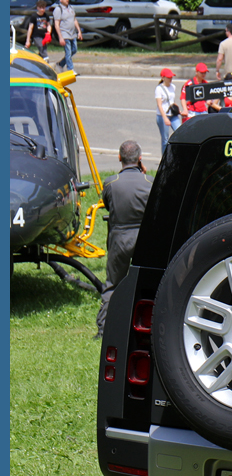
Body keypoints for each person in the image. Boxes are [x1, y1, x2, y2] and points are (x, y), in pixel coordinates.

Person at [96, 141, 153, 339]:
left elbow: (107, 204)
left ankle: (104, 329)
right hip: (144, 240)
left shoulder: (110, 183)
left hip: (119, 238)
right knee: (148, 283)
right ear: (140, 159)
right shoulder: (149, 182)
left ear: (119, 158)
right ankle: (148, 324)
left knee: (112, 284)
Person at [52, 0, 83, 74]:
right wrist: (60, 37)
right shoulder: (58, 9)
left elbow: (74, 20)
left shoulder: (71, 8)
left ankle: (60, 64)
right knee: (68, 52)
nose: (67, 0)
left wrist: (79, 31)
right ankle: (70, 69)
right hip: (64, 33)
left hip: (72, 33)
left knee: (74, 50)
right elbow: (56, 24)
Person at [154, 67, 180, 152]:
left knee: (179, 132)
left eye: (171, 77)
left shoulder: (173, 87)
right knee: (165, 139)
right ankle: (164, 159)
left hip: (173, 115)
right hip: (163, 116)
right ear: (163, 78)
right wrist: (165, 118)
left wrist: (179, 111)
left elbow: (172, 101)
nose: (170, 79)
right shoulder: (159, 89)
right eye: (168, 77)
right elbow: (159, 105)